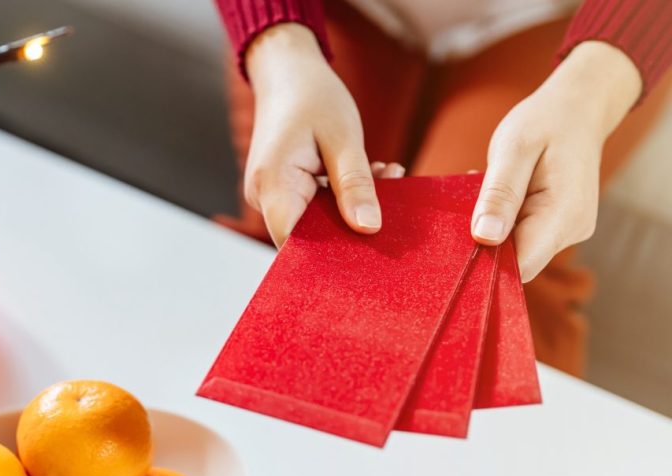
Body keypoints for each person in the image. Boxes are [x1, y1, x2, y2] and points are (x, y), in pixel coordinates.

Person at [214, 0, 672, 375]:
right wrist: (280, 51)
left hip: (568, 22)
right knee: (295, 249)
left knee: (487, 298)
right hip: (335, 11)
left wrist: (590, 92)